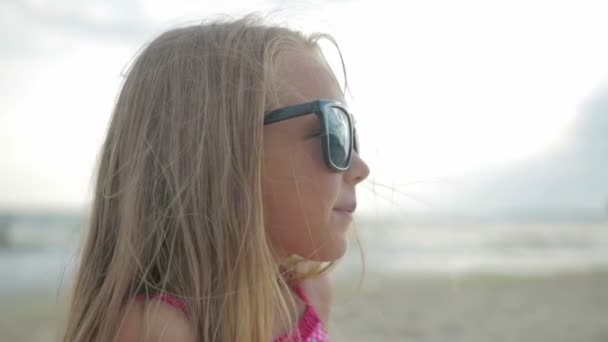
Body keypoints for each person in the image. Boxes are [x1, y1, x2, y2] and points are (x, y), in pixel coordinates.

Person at [61, 13, 370, 342]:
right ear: (225, 154)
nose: (361, 168)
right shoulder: (158, 330)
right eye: (333, 133)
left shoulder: (309, 294)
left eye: (350, 134)